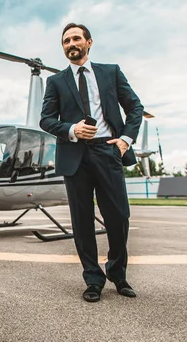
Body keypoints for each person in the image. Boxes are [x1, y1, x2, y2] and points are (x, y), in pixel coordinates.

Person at [39, 23, 144, 303]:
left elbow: (135, 107)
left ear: (89, 42)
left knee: (119, 216)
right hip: (75, 156)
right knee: (82, 222)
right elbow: (46, 119)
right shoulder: (56, 82)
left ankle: (118, 273)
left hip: (108, 151)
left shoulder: (111, 72)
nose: (70, 44)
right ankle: (93, 278)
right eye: (65, 41)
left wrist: (125, 140)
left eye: (75, 39)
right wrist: (72, 129)